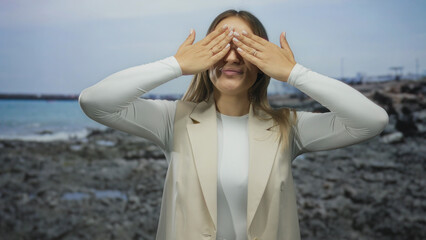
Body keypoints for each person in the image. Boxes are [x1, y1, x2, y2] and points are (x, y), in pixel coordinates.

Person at [78, 9, 389, 240]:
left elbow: (372, 121)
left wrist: (294, 73)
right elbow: (95, 101)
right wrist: (176, 65)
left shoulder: (287, 127)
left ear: (263, 59)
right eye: (220, 44)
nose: (232, 56)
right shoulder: (174, 120)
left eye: (244, 45)